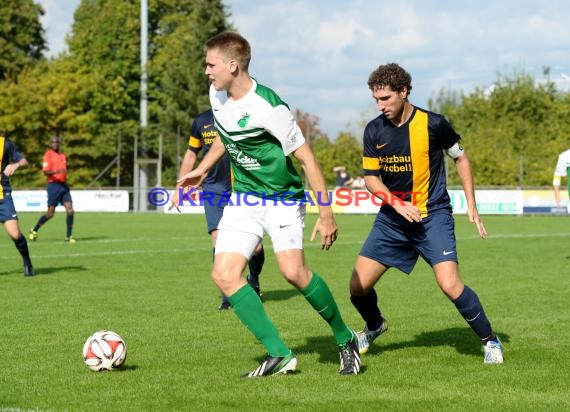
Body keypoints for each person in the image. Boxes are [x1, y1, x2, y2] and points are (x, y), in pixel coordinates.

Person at [178, 31, 360, 377]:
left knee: (294, 273)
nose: (206, 71)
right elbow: (226, 136)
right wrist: (202, 168)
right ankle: (280, 354)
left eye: (210, 64)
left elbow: (307, 160)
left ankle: (344, 337)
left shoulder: (269, 107)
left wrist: (326, 213)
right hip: (243, 198)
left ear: (232, 65)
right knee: (224, 274)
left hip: (282, 200)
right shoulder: (217, 96)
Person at [349, 63, 504, 365]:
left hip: (432, 216)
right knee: (357, 286)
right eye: (376, 100)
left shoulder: (434, 123)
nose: (380, 106)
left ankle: (490, 340)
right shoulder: (374, 130)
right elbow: (371, 179)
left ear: (404, 92)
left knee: (450, 284)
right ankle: (374, 325)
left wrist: (471, 203)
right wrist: (396, 203)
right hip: (393, 219)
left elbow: (461, 159)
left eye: (386, 99)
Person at [172, 108, 266, 310]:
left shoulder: (244, 114)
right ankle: (227, 295)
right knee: (218, 239)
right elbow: (191, 154)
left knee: (256, 248)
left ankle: (254, 279)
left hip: (244, 188)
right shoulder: (201, 120)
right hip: (213, 188)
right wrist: (180, 187)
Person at [29, 136, 76, 243]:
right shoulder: (48, 155)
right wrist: (57, 171)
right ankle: (34, 230)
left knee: (70, 210)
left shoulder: (63, 156)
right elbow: (45, 172)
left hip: (64, 186)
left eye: (57, 142)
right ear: (50, 144)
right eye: (53, 142)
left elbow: (64, 169)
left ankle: (68, 236)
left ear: (59, 144)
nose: (55, 144)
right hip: (53, 186)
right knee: (50, 213)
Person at [1, 134, 34, 276]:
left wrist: (15, 164)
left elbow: (24, 161)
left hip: (3, 198)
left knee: (15, 235)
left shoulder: (5, 144)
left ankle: (27, 262)